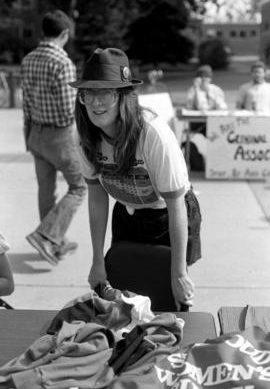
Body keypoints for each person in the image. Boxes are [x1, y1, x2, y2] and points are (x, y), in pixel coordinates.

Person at [70, 47, 202, 309]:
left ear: (123, 97)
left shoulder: (153, 134)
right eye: (88, 93)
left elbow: (176, 205)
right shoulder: (85, 135)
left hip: (168, 214)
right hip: (128, 211)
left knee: (169, 295)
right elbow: (97, 198)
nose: (95, 103)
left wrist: (178, 274)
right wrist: (98, 261)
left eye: (105, 92)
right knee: (124, 296)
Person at [20, 10, 87, 265]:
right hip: (58, 134)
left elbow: (26, 101)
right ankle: (47, 235)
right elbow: (67, 110)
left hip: (35, 131)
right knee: (79, 187)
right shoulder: (63, 63)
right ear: (65, 34)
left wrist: (28, 133)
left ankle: (54, 241)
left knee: (46, 189)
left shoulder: (28, 59)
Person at [184, 65, 228, 171]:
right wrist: (196, 90)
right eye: (201, 77)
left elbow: (223, 107)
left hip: (214, 122)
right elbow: (189, 107)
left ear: (210, 78)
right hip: (197, 122)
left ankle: (219, 162)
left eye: (206, 77)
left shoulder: (216, 90)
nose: (204, 79)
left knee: (221, 135)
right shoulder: (193, 90)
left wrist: (211, 95)